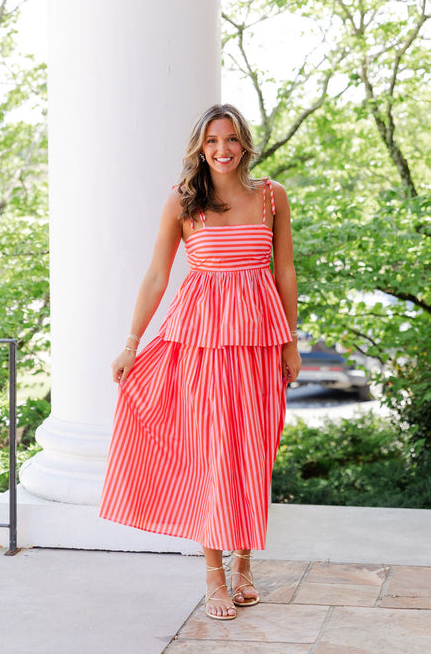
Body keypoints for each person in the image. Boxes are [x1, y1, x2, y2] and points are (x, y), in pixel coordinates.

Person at [99, 103, 301, 620]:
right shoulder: (183, 202)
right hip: (201, 346)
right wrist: (131, 342)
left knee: (252, 456)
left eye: (231, 139)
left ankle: (244, 564)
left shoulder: (272, 198)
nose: (223, 149)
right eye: (212, 141)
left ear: (245, 144)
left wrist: (291, 341)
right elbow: (156, 277)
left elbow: (284, 274)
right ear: (200, 147)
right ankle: (214, 575)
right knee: (212, 455)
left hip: (258, 344)